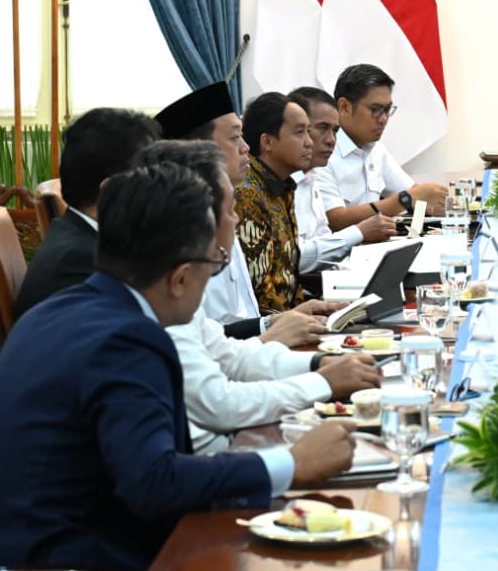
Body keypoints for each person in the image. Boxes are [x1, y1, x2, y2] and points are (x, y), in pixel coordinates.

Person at [0, 164, 357, 571]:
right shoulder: (130, 338)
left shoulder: (66, 308)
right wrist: (292, 464)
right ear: (178, 278)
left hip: (40, 566)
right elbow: (155, 484)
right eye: (213, 266)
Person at [139, 140, 383, 453]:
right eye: (230, 211)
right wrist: (323, 382)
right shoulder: (167, 292)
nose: (237, 220)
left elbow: (232, 357)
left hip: (227, 445)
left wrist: (321, 363)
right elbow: (219, 404)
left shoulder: (177, 275)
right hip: (212, 461)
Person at [155, 82, 331, 346]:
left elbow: (240, 316)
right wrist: (273, 332)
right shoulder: (185, 231)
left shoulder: (224, 205)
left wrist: (281, 320)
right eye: (236, 137)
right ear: (201, 148)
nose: (246, 147)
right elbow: (211, 343)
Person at [14, 107, 161, 316]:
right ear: (111, 191)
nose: (159, 190)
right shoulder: (81, 261)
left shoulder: (84, 237)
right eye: (151, 178)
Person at [318, 63, 448, 230]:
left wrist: (434, 207)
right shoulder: (322, 153)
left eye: (387, 110)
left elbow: (414, 197)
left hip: (374, 246)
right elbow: (335, 220)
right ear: (344, 107)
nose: (384, 119)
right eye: (375, 109)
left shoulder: (376, 150)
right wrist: (406, 199)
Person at [287, 85, 396, 273]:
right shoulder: (284, 184)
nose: (331, 140)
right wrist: (359, 233)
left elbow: (322, 240)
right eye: (322, 128)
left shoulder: (310, 177)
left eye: (335, 131)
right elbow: (293, 258)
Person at [235, 92, 312, 313]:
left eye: (308, 131)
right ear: (267, 142)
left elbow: (288, 277)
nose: (310, 142)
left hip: (289, 318)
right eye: (299, 132)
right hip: (265, 332)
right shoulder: (248, 193)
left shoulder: (281, 185)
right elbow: (259, 295)